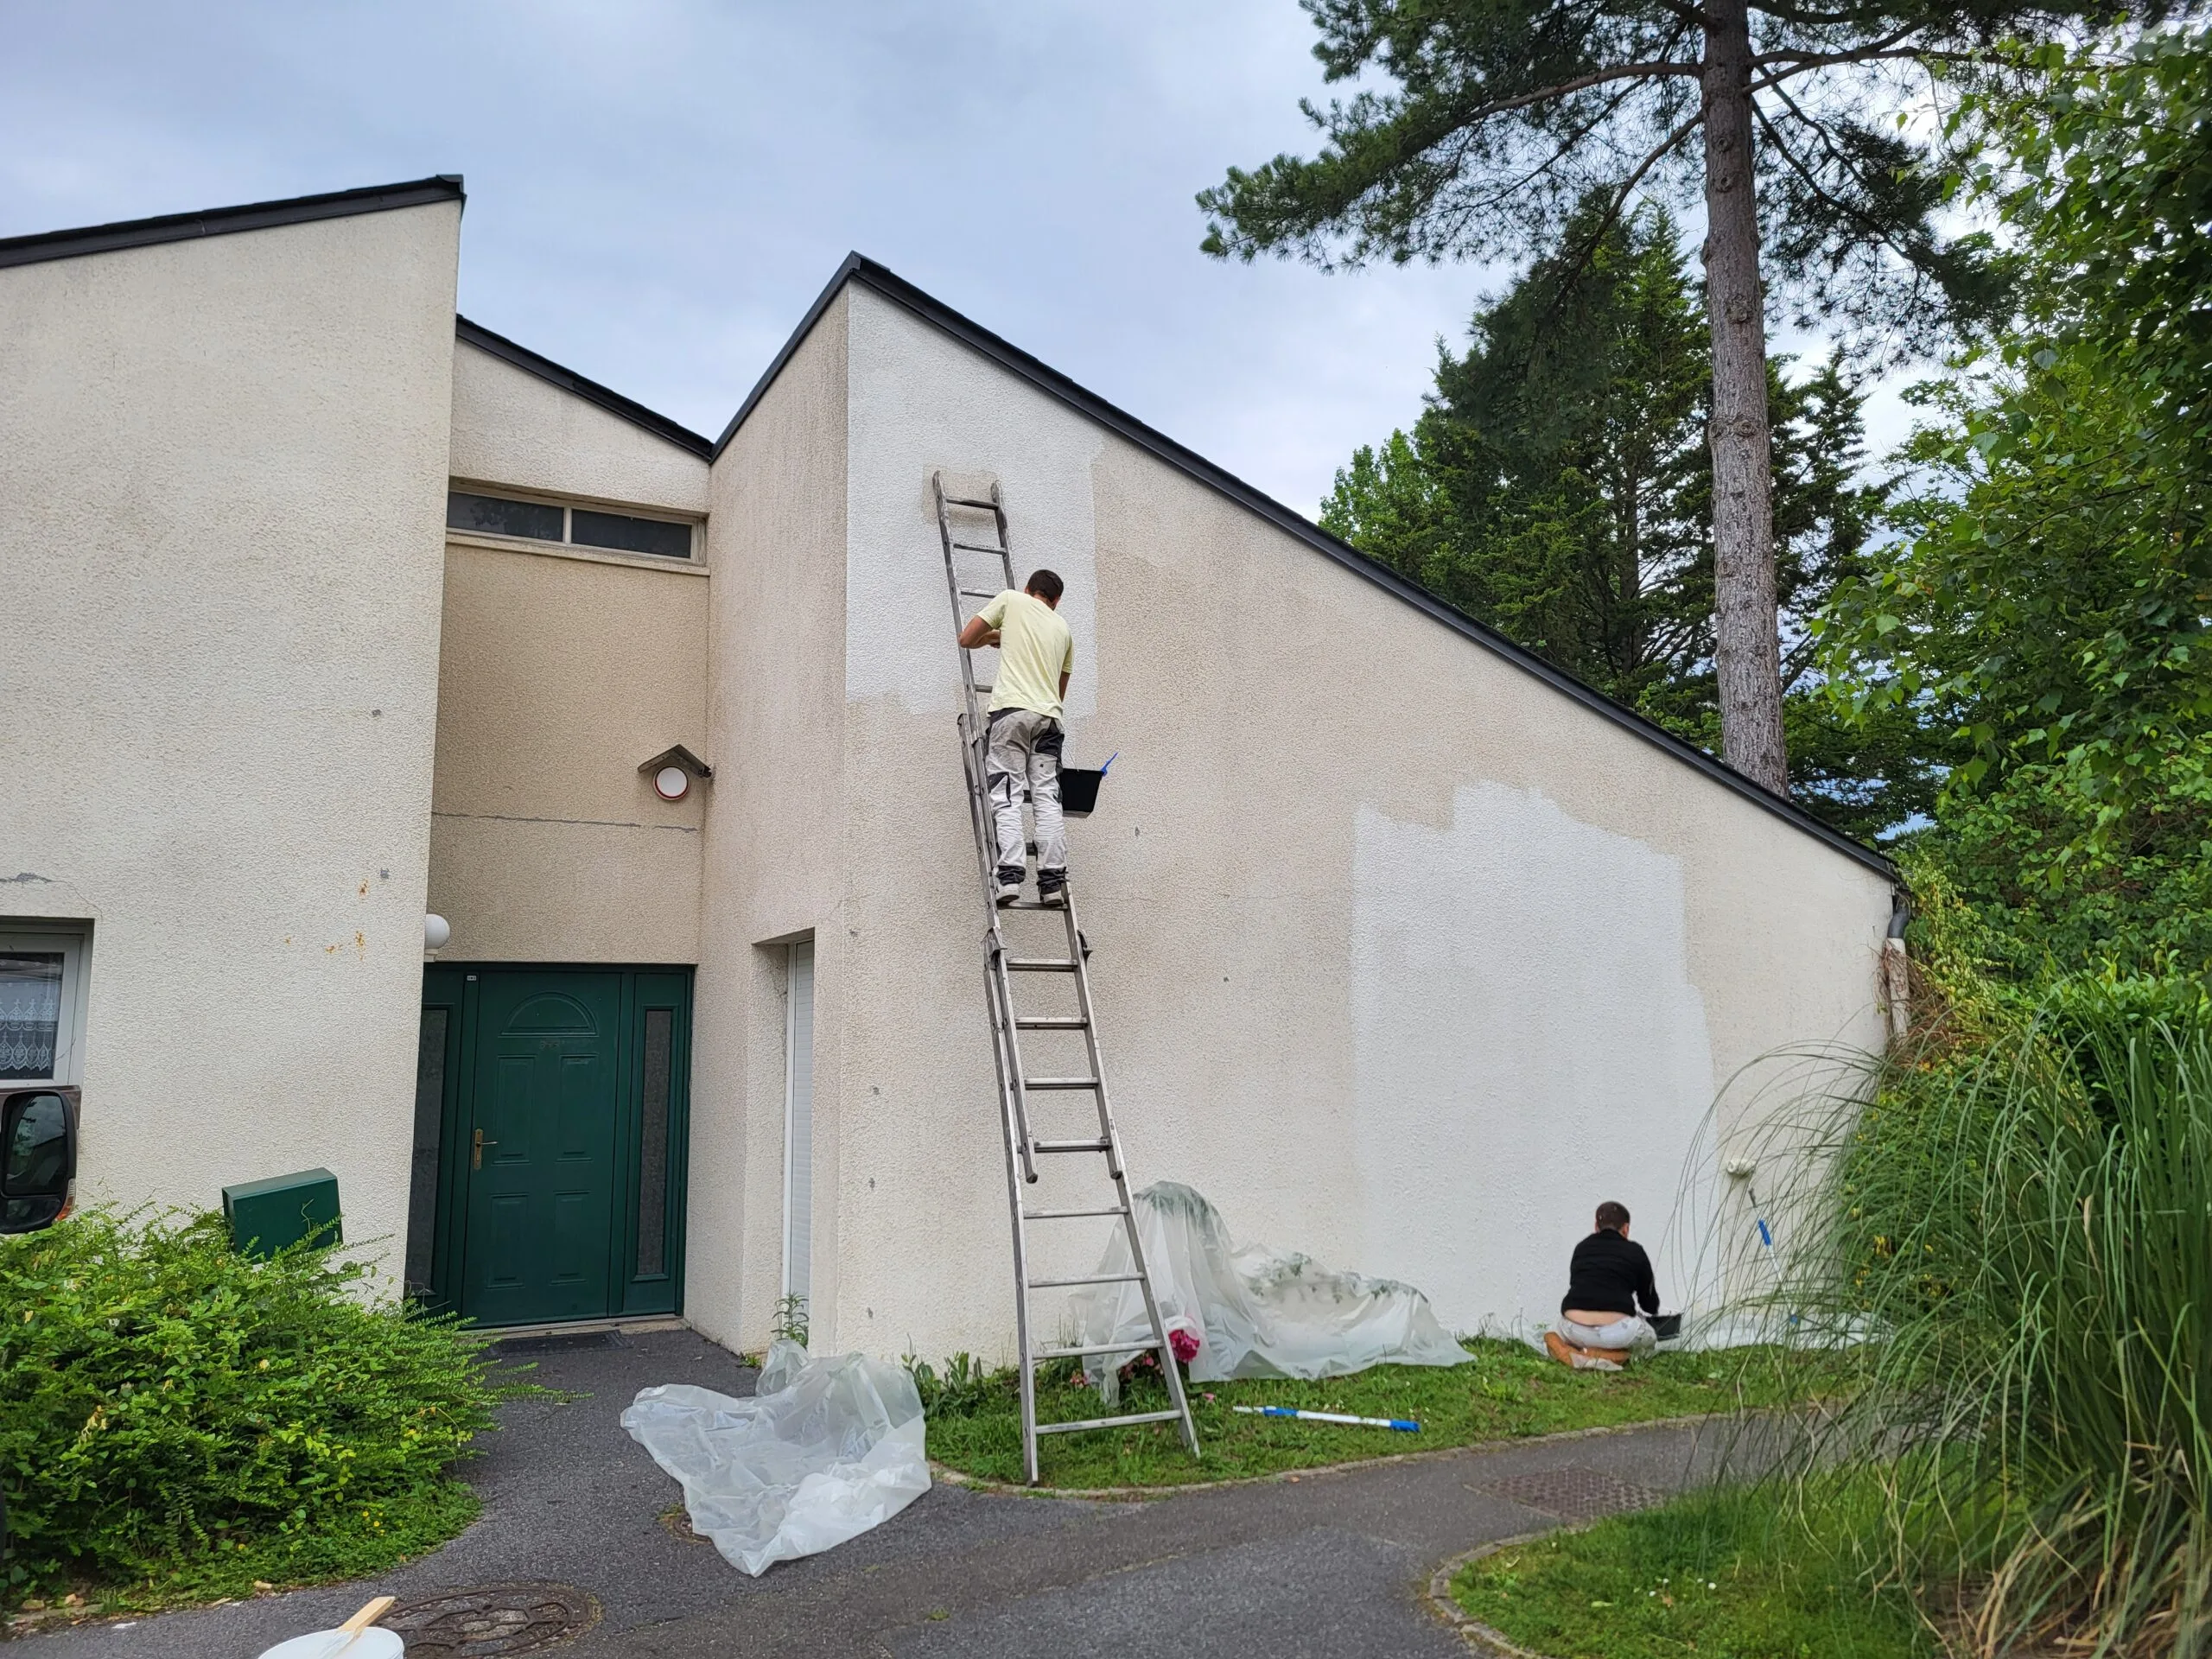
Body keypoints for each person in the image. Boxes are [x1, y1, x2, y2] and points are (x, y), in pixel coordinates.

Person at [957, 569, 1075, 906]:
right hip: (1049, 720)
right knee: (1047, 797)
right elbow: (1058, 691)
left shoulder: (1011, 599)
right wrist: (1003, 637)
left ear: (1027, 589)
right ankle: (1052, 882)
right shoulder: (1063, 629)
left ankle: (1010, 876)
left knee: (1007, 792)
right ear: (1055, 601)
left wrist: (996, 636)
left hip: (1011, 715)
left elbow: (966, 639)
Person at [1545, 1201, 1660, 1372]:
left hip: (1573, 1327)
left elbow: (1579, 1286)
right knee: (1650, 1338)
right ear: (1626, 1228)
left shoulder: (1581, 1248)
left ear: (1596, 1226)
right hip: (1617, 1332)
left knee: (1555, 1329)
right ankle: (1609, 1355)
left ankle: (1571, 1350)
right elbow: (1649, 1304)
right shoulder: (1635, 1251)